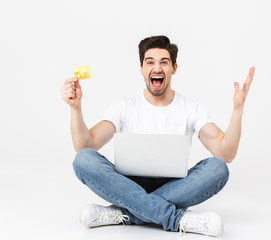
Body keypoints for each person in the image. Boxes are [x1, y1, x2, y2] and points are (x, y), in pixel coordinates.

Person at [60, 35, 255, 237]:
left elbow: (226, 153)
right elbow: (85, 144)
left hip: (174, 187)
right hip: (128, 185)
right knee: (83, 159)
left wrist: (238, 109)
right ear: (142, 69)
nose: (157, 68)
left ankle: (127, 213)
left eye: (164, 62)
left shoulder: (191, 108)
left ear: (174, 68)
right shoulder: (125, 106)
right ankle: (176, 219)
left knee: (218, 168)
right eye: (150, 62)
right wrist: (75, 108)